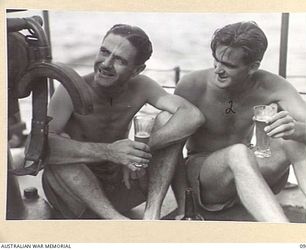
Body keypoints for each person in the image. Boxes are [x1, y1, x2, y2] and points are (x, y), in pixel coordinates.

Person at [41, 24, 204, 220]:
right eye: (104, 51)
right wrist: (110, 151)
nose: (106, 64)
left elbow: (192, 116)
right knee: (60, 150)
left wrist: (138, 150)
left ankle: (151, 216)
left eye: (119, 59)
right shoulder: (70, 90)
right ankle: (118, 222)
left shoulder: (142, 86)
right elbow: (40, 147)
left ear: (137, 70)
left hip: (120, 189)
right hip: (75, 197)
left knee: (169, 120)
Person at [173, 21, 306, 222]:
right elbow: (172, 152)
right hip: (207, 179)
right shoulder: (192, 85)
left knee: (293, 139)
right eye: (216, 60)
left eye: (228, 65)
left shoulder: (271, 85)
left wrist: (295, 129)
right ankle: (283, 233)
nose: (218, 69)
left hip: (250, 172)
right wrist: (184, 208)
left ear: (253, 66)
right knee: (238, 152)